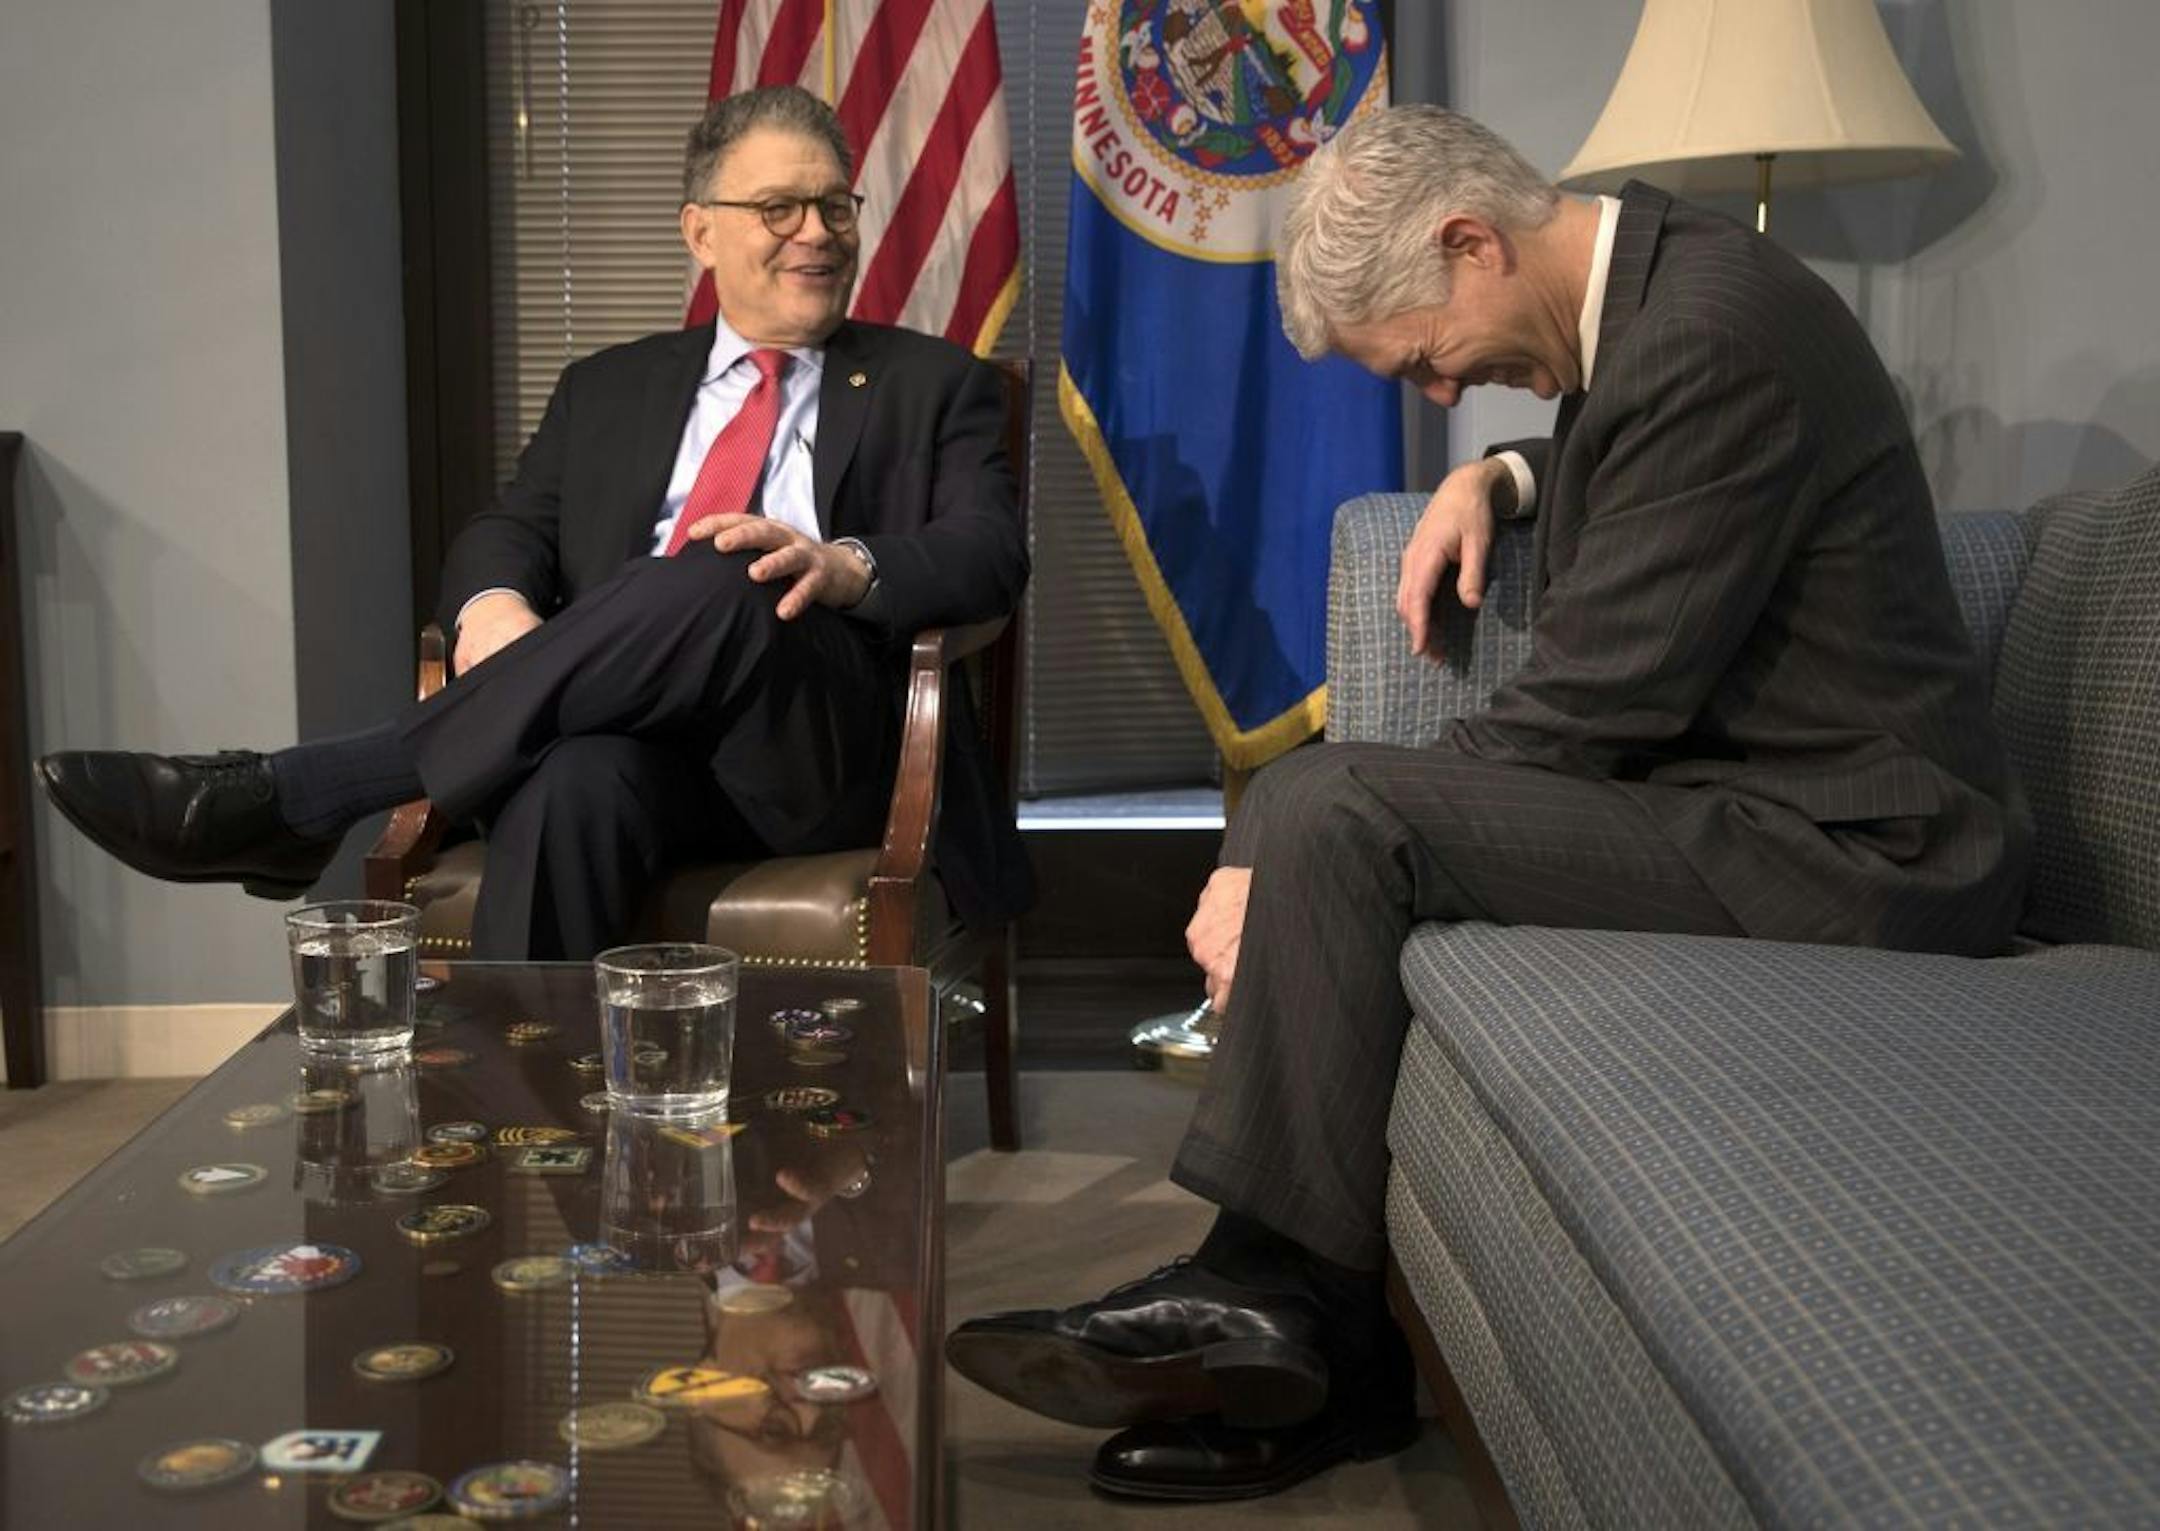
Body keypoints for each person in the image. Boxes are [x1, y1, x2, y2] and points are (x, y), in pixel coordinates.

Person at [946, 104, 2030, 1502]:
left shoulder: (1712, 332)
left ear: (1470, 243)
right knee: (1315, 799)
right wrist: (1501, 474)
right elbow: (1639, 464)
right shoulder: (1669, 296)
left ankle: (1280, 1305)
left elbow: (1588, 712)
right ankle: (1290, 1312)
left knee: (1333, 808)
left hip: (1861, 851)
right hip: (1764, 807)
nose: (1446, 390)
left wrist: (1264, 859)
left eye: (1428, 360)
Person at [37, 86, 1030, 960]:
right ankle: (526, 1130)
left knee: (730, 567)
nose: (815, 230)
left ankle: (307, 793)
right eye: (778, 207)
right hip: (635, 746)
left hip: (826, 755)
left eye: (834, 204)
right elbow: (507, 529)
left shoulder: (933, 383)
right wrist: (492, 607)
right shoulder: (607, 389)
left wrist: (849, 563)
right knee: (573, 787)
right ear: (700, 232)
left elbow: (990, 554)